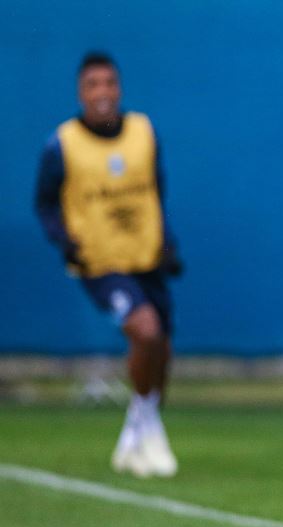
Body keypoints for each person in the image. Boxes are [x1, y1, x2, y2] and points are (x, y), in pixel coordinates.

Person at [35, 52, 182, 478]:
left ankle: (138, 433)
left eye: (109, 83)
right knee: (145, 329)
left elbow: (156, 191)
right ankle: (144, 428)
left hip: (147, 256)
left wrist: (167, 242)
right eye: (93, 85)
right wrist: (65, 241)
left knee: (163, 350)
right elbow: (44, 203)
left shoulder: (143, 132)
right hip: (100, 262)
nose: (102, 92)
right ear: (81, 93)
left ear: (119, 88)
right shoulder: (62, 144)